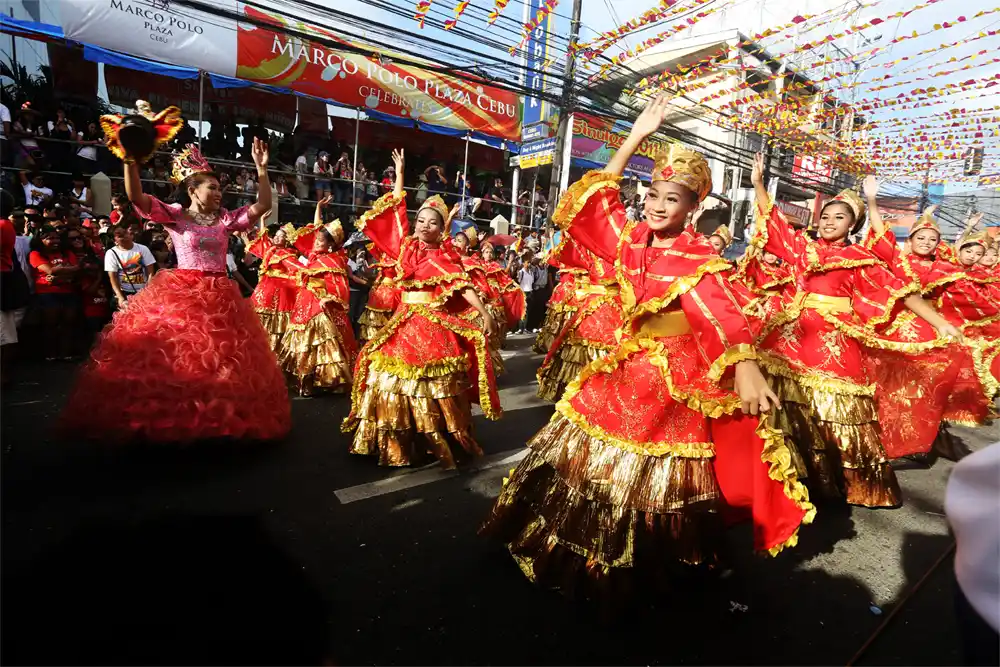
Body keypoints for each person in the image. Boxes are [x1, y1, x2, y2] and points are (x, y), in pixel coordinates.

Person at [481, 98, 813, 600]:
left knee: (655, 475)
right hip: (624, 366)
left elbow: (722, 313)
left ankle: (641, 567)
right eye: (654, 195)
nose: (658, 206)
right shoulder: (632, 242)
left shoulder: (699, 258)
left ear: (693, 209)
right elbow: (590, 205)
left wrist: (745, 365)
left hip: (672, 383)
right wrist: (633, 137)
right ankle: (581, 555)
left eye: (672, 199)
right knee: (588, 461)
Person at [58, 114, 290, 444]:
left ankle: (218, 423)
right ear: (192, 190)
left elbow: (263, 204)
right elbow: (137, 199)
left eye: (220, 188)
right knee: (180, 357)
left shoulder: (226, 220)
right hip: (183, 293)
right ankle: (175, 424)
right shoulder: (175, 216)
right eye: (213, 187)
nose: (219, 193)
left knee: (224, 360)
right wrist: (130, 161)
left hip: (221, 296)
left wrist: (263, 171)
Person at [749, 152, 962, 507]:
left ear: (852, 225)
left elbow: (901, 293)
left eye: (840, 217)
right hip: (791, 337)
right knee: (786, 406)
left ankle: (849, 482)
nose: (830, 221)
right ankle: (794, 478)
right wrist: (758, 184)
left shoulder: (860, 260)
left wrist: (940, 322)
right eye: (826, 216)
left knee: (841, 412)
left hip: (835, 342)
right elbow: (775, 225)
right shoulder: (803, 249)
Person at [343, 148, 501, 469]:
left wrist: (483, 313)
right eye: (421, 220)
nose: (423, 225)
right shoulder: (406, 249)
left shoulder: (445, 257)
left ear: (441, 230)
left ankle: (437, 439)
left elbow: (463, 286)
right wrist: (400, 176)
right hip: (404, 321)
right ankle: (399, 441)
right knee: (389, 379)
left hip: (434, 324)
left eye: (432, 223)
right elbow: (397, 213)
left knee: (435, 384)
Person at [280, 196, 357, 396]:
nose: (315, 242)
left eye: (320, 241)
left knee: (320, 340)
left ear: (330, 245)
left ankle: (324, 379)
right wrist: (318, 208)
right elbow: (316, 229)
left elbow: (339, 285)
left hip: (320, 303)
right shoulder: (316, 256)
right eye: (315, 240)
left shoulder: (333, 260)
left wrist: (328, 299)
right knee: (301, 339)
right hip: (305, 301)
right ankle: (303, 380)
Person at [247, 221, 302, 355]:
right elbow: (263, 240)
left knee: (274, 325)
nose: (276, 238)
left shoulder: (285, 254)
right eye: (276, 235)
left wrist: (313, 272)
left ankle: (270, 351)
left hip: (278, 294)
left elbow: (297, 268)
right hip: (265, 292)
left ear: (287, 240)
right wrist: (262, 221)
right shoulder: (272, 251)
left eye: (281, 236)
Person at [28, 225, 80, 360]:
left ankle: (66, 354)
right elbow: (50, 270)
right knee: (50, 324)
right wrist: (64, 273)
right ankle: (50, 355)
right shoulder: (35, 254)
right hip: (47, 293)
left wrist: (57, 278)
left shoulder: (67, 253)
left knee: (68, 323)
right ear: (40, 240)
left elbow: (77, 269)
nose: (55, 241)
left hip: (69, 292)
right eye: (50, 238)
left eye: (57, 237)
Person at [104, 225, 157, 308]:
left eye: (125, 233)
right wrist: (120, 297)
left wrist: (148, 291)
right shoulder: (111, 253)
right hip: (125, 292)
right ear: (115, 241)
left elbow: (150, 272)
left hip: (143, 291)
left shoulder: (143, 249)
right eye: (120, 236)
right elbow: (112, 277)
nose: (125, 236)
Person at [347, 245, 372, 337]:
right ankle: (351, 334)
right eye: (360, 251)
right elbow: (351, 276)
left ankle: (358, 334)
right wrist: (365, 282)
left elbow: (368, 273)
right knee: (352, 313)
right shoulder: (349, 262)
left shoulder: (364, 261)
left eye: (363, 251)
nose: (362, 253)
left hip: (363, 290)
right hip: (353, 290)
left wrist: (363, 264)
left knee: (360, 313)